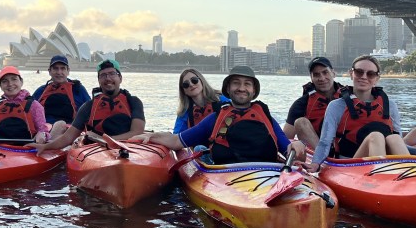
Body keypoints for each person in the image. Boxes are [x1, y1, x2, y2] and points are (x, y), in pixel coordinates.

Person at [136, 65, 306, 165]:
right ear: (228, 89)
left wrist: (296, 147)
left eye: (247, 84)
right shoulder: (216, 118)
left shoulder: (265, 116)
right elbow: (176, 140)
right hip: (226, 175)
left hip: (266, 171)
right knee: (202, 150)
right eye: (236, 83)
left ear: (253, 90)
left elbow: (285, 145)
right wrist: (150, 137)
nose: (241, 88)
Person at [306, 55, 409, 173]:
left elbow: (399, 141)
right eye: (359, 72)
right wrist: (315, 164)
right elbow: (325, 142)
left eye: (370, 74)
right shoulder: (336, 106)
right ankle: (381, 178)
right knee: (375, 136)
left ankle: (410, 178)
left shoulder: (390, 105)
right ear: (351, 74)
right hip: (351, 166)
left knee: (395, 138)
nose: (364, 77)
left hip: (386, 162)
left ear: (377, 78)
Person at [35, 59, 145, 153]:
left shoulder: (134, 101)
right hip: (97, 150)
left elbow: (137, 132)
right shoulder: (88, 107)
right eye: (103, 75)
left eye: (112, 74)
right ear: (99, 81)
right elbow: (68, 137)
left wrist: (103, 139)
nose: (108, 78)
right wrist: (45, 147)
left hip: (128, 147)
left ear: (120, 78)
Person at [0, 66, 50, 143]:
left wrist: (42, 135)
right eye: (5, 81)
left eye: (14, 79)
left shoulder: (34, 105)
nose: (10, 84)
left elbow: (43, 130)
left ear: (21, 82)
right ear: (0, 86)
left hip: (24, 148)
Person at [282, 57, 344, 149]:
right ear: (311, 78)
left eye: (325, 72)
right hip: (317, 153)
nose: (322, 78)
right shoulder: (301, 104)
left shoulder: (349, 97)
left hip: (347, 152)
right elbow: (286, 139)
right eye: (316, 75)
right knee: (300, 122)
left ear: (333, 73)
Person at [31, 54, 91, 139]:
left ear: (68, 71)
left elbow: (90, 111)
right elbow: (29, 110)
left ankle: (50, 145)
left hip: (70, 129)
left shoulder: (78, 89)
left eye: (62, 68)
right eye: (55, 68)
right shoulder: (41, 91)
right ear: (49, 71)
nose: (59, 72)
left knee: (60, 124)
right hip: (45, 128)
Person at [172, 68, 228, 134]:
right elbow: (177, 135)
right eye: (186, 84)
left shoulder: (222, 100)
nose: (191, 85)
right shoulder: (184, 112)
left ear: (201, 81)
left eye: (194, 80)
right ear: (183, 90)